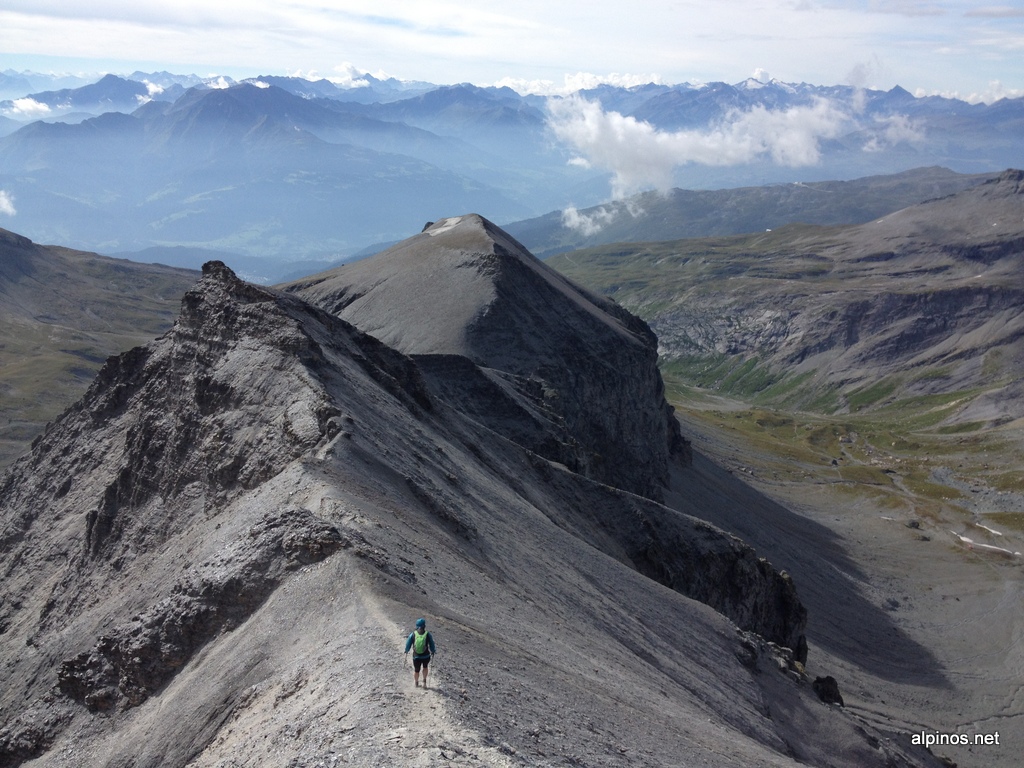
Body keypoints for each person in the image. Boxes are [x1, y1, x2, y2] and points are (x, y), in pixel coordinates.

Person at [404, 617, 436, 688]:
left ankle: (416, 683)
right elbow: (432, 644)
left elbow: (408, 643)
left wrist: (406, 650)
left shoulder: (413, 634)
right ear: (424, 625)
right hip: (426, 656)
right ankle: (424, 682)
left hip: (416, 656)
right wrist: (433, 651)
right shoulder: (428, 634)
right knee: (425, 667)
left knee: (416, 670)